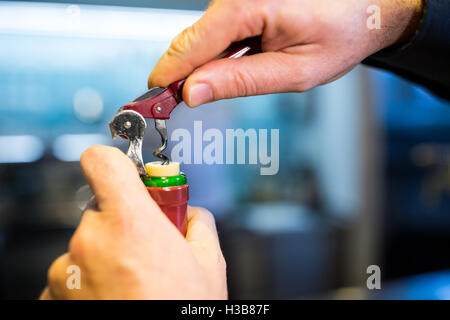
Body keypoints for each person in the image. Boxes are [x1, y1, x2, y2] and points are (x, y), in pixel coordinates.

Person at [41, 0, 449, 299]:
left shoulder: (194, 96)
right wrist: (389, 19)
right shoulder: (192, 100)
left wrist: (387, 18)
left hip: (210, 217)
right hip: (199, 217)